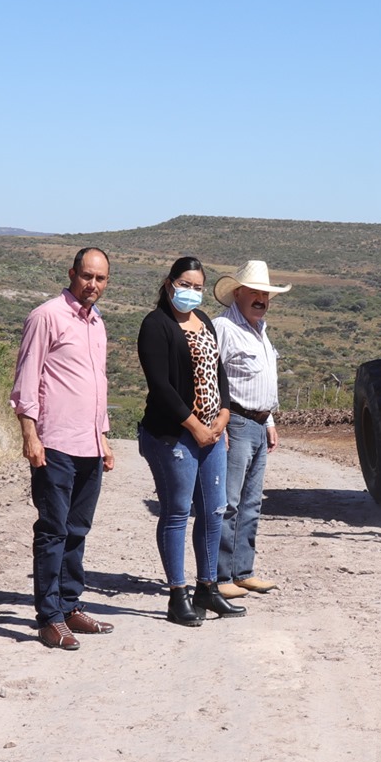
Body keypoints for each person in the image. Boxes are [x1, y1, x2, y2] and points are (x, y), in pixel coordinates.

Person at [12, 248, 116, 651]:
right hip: (53, 442)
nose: (93, 284)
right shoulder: (47, 316)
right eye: (87, 276)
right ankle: (49, 617)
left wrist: (103, 437)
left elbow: (98, 385)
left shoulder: (97, 324)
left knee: (78, 530)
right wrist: (30, 435)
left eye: (101, 279)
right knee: (53, 531)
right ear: (72, 273)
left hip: (88, 444)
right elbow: (26, 381)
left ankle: (70, 605)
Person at [135, 257, 244, 627]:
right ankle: (177, 594)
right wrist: (194, 425)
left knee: (214, 511)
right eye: (186, 284)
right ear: (169, 284)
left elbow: (219, 373)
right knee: (178, 512)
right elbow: (161, 386)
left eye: (198, 286)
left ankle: (207, 588)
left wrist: (224, 415)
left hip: (212, 434)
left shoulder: (205, 322)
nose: (191, 292)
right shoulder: (156, 325)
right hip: (173, 435)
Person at [211, 260, 289, 601]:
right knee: (228, 503)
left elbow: (258, 380)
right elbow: (210, 379)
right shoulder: (224, 329)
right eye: (254, 292)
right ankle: (219, 576)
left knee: (252, 503)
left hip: (258, 424)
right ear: (237, 293)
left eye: (265, 294)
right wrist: (219, 422)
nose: (261, 298)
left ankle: (243, 572)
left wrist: (269, 421)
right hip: (237, 423)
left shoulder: (260, 328)